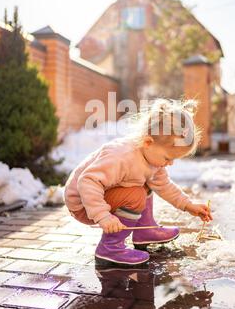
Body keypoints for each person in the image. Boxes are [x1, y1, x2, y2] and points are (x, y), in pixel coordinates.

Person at [64, 98, 213, 266]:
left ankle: (145, 230)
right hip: (83, 203)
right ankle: (110, 247)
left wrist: (189, 205)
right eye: (168, 158)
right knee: (135, 195)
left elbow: (164, 186)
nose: (170, 163)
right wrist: (103, 216)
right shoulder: (120, 156)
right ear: (148, 142)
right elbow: (88, 182)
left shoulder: (151, 159)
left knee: (145, 184)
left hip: (98, 197)